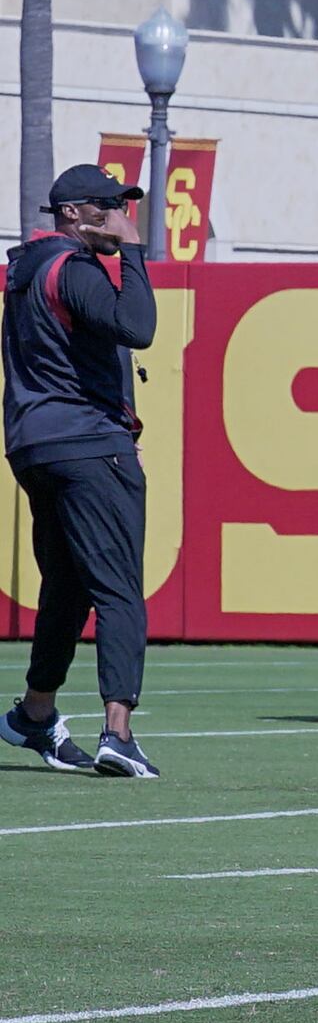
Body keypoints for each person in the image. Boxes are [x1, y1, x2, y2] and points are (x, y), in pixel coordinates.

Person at [7, 164, 159, 779]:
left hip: (34, 446)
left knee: (67, 587)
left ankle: (33, 715)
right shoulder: (73, 267)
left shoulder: (28, 268)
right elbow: (137, 328)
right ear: (72, 213)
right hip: (87, 444)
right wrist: (137, 251)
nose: (119, 216)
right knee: (119, 587)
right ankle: (118, 732)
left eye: (122, 207)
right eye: (107, 206)